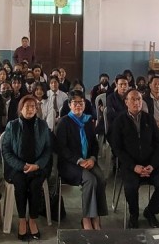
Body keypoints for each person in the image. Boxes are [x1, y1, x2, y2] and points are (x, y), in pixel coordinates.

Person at [109, 89, 159, 229]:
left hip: (151, 164)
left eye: (139, 99)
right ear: (126, 102)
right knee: (130, 187)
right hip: (131, 165)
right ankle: (134, 214)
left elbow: (158, 144)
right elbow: (117, 148)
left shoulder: (149, 118)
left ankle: (150, 211)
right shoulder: (120, 121)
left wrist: (153, 165)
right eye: (133, 99)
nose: (137, 102)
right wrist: (133, 166)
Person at [1, 96, 53, 240]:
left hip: (38, 167)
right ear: (20, 109)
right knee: (21, 184)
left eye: (33, 106)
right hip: (17, 167)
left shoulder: (43, 125)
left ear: (36, 109)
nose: (30, 109)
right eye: (26, 106)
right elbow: (6, 151)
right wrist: (22, 166)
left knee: (36, 185)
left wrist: (37, 165)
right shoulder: (12, 125)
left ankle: (33, 219)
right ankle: (22, 219)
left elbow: (48, 149)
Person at [55, 91, 107, 230]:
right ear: (70, 105)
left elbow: (94, 145)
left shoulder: (88, 121)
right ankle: (86, 219)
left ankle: (96, 217)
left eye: (81, 102)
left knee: (101, 178)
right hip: (69, 164)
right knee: (90, 180)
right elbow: (62, 148)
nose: (78, 105)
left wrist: (92, 158)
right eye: (75, 102)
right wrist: (79, 161)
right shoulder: (64, 122)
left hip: (87, 161)